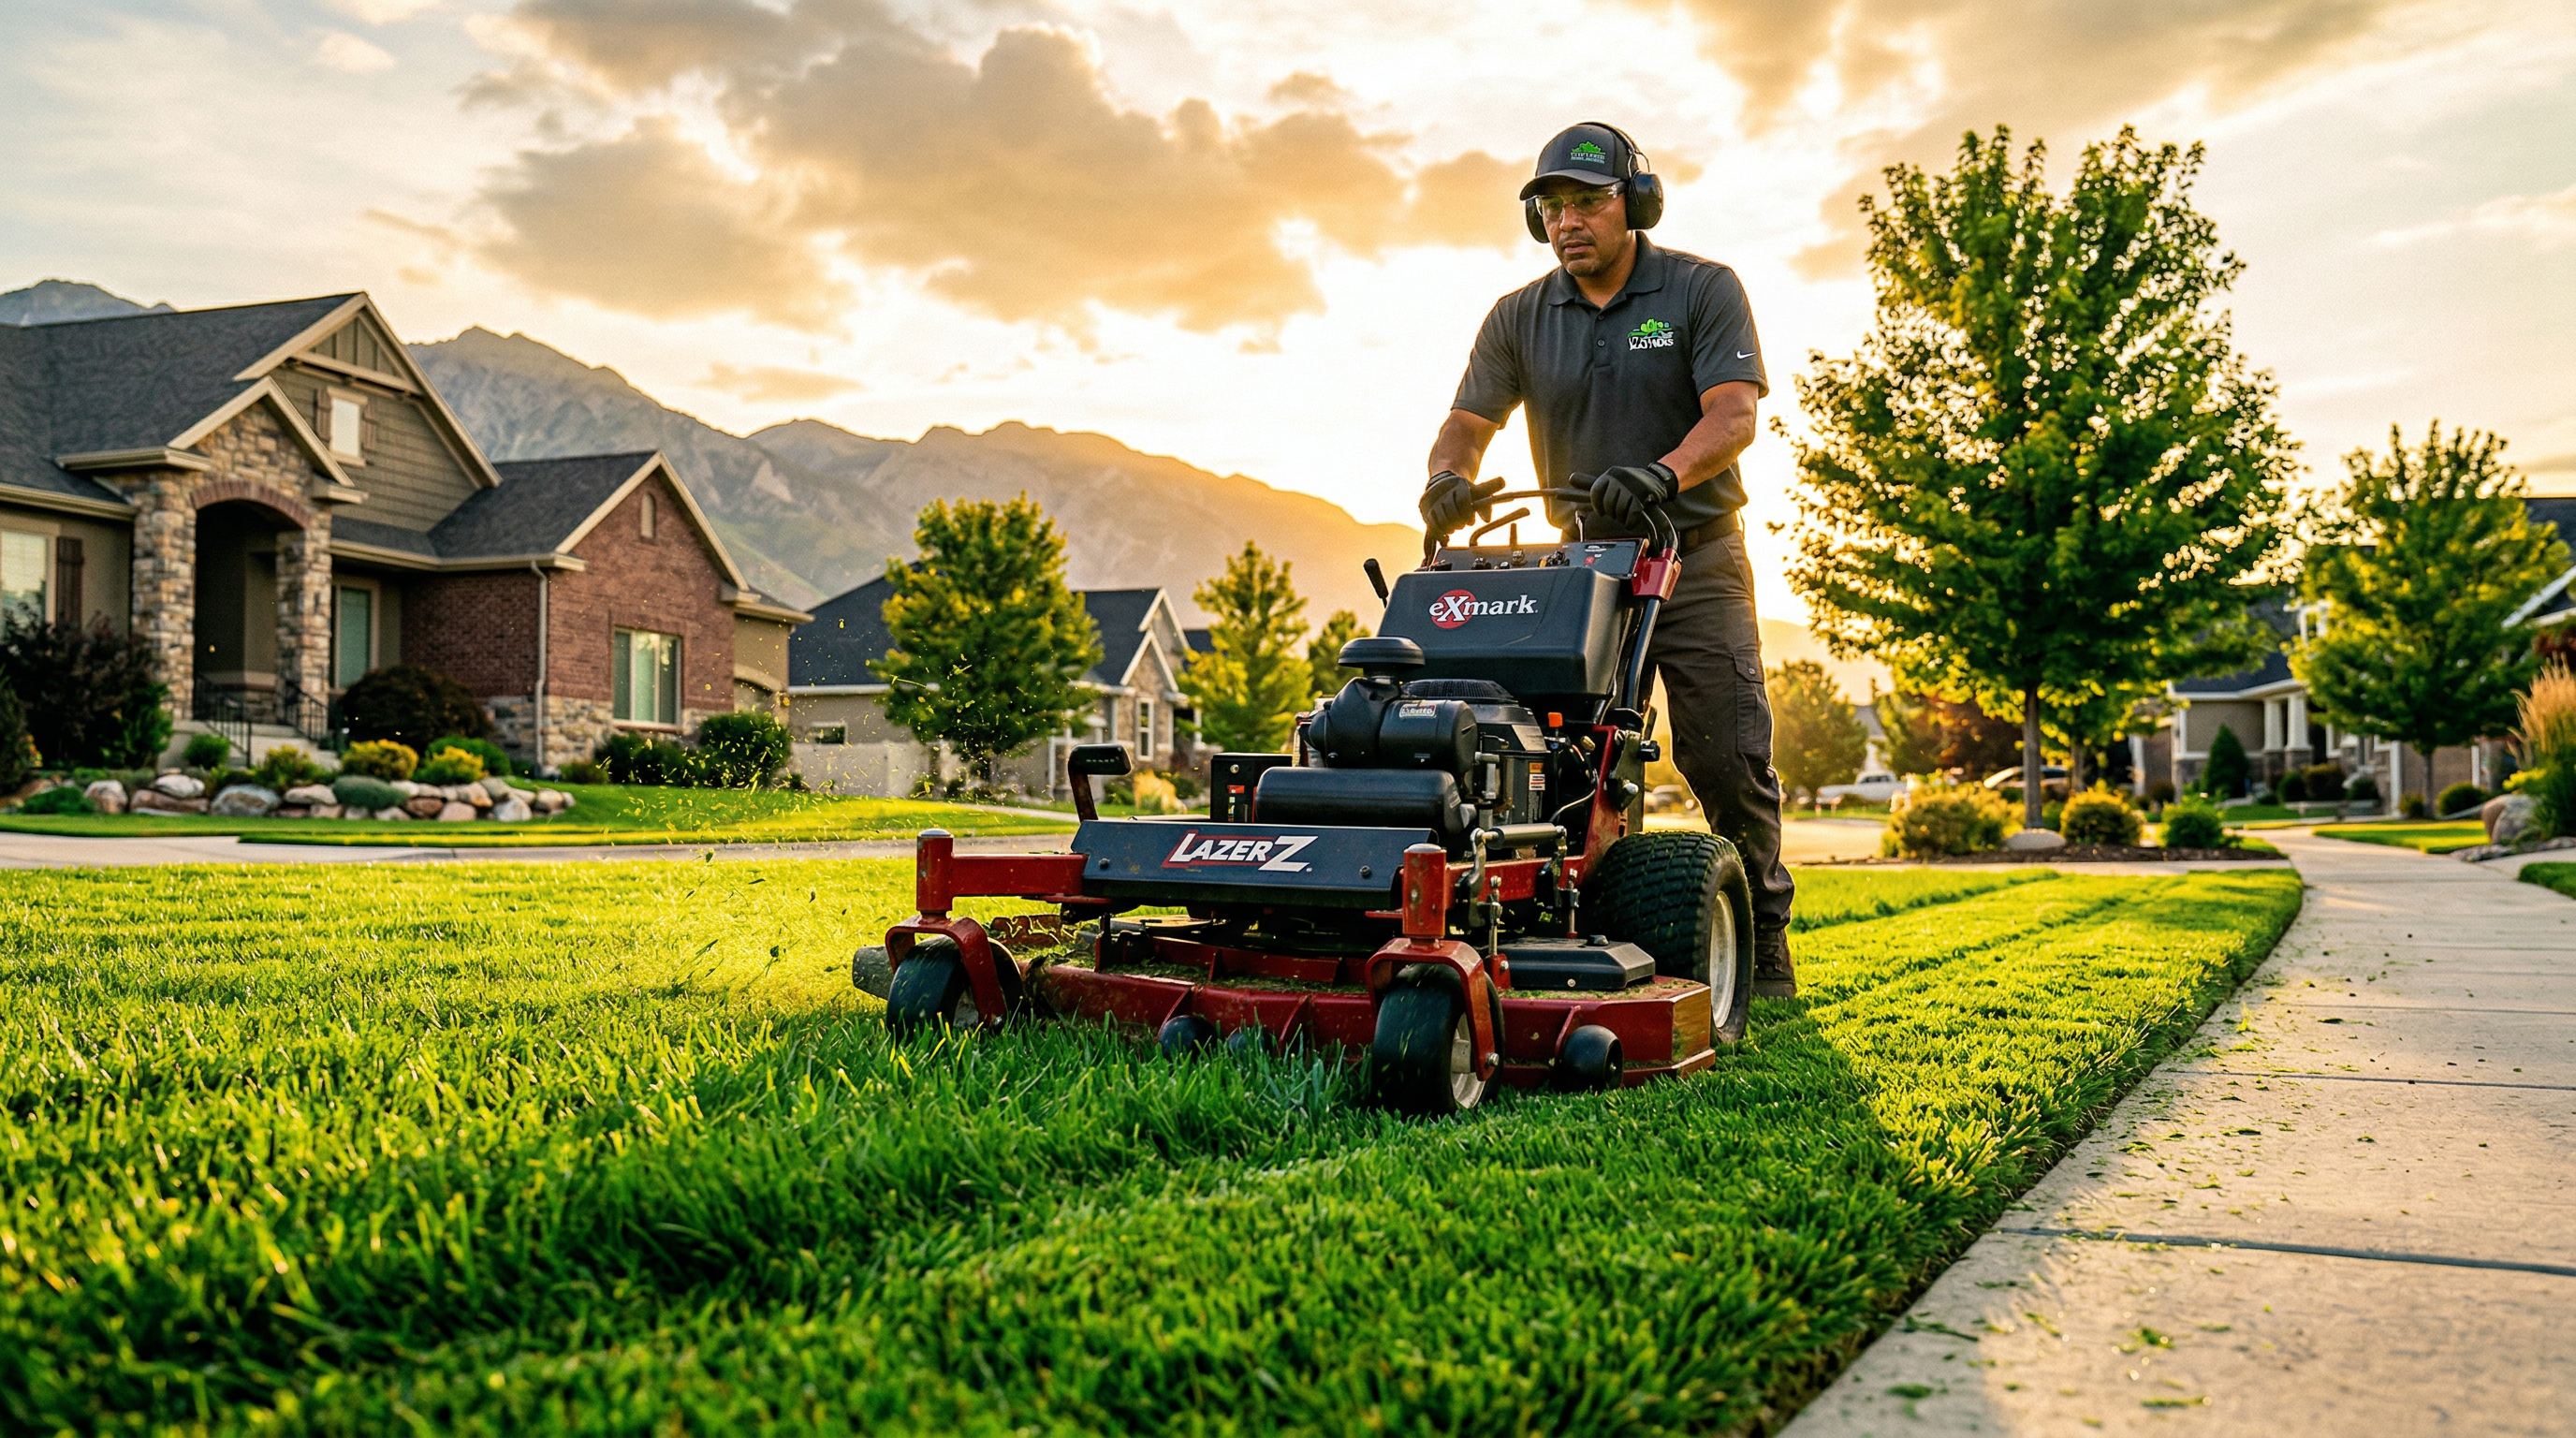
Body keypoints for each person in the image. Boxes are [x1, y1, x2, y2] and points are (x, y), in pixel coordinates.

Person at [1420, 121, 1797, 995]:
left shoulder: (1701, 290)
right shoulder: (1520, 316)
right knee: (1556, 758)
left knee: (1728, 759)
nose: (1568, 222)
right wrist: (1446, 477)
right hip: (1579, 576)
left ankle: (1763, 942)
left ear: (1637, 203)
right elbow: (1468, 422)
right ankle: (1560, 923)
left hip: (1692, 561)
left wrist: (1662, 476)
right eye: (1551, 208)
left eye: (1588, 201)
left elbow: (1734, 416)